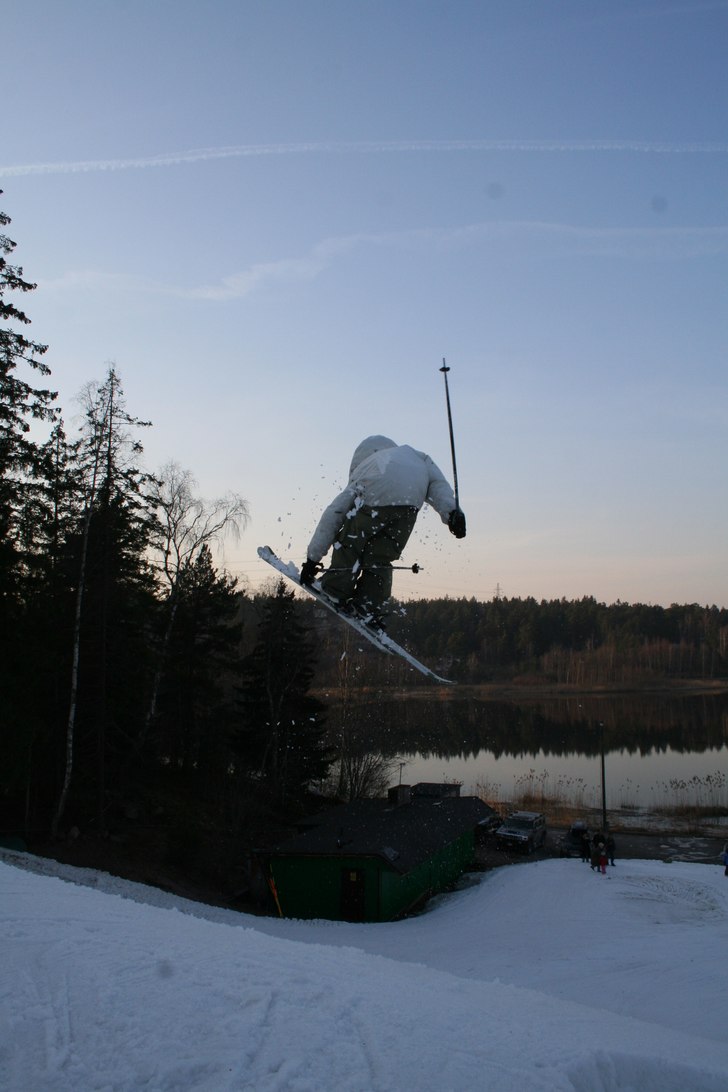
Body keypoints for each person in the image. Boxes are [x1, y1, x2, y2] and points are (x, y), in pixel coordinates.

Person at [300, 435, 465, 626]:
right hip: (410, 503)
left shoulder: (367, 467)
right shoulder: (418, 457)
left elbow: (334, 515)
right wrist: (452, 513)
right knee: (381, 555)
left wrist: (312, 559)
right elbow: (438, 485)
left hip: (377, 490)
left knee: (351, 540)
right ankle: (367, 605)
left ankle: (335, 590)